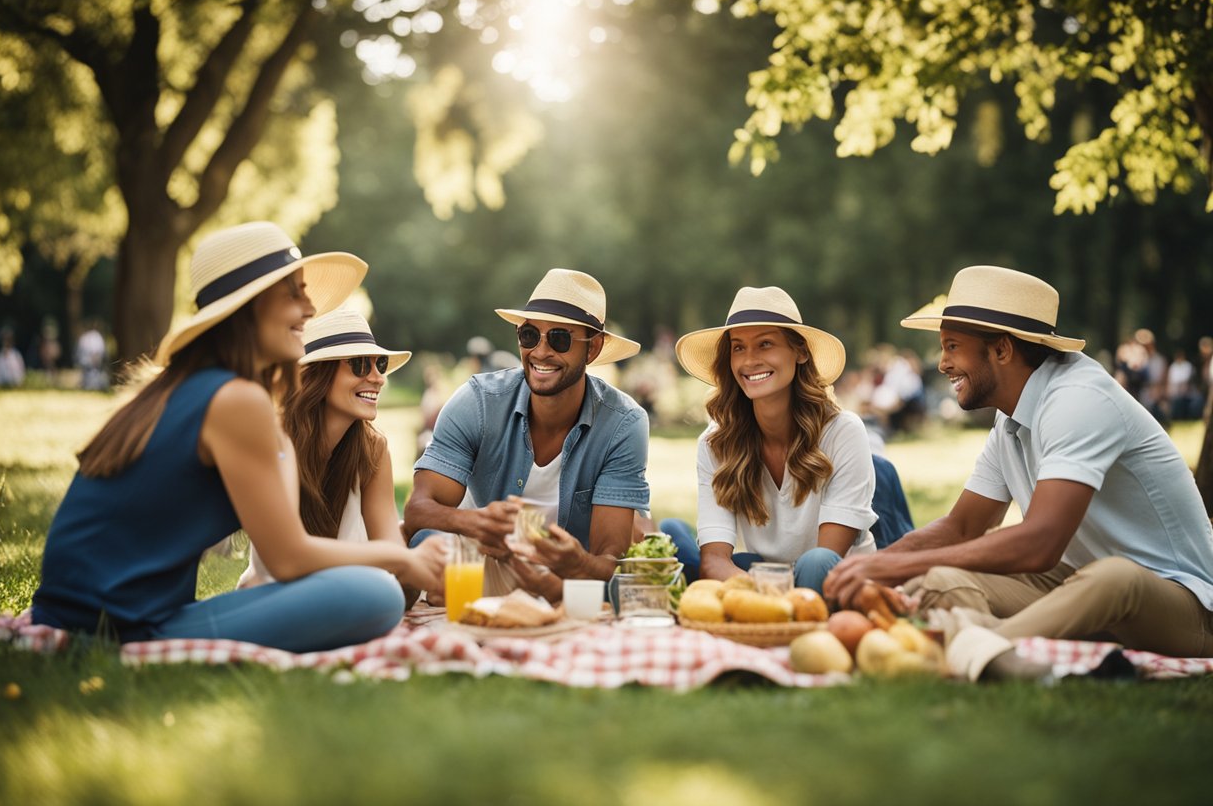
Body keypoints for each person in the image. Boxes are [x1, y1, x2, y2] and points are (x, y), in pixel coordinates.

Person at [31, 222, 443, 652]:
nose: (308, 310)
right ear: (250, 307)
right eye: (294, 294)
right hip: (116, 627)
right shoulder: (235, 400)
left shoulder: (187, 388)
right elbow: (287, 558)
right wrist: (403, 558)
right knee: (373, 596)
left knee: (373, 590)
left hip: (90, 614)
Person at [823, 265, 1213, 680]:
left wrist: (889, 569)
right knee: (940, 582)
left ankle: (983, 647)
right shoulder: (1010, 420)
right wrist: (873, 565)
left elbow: (1041, 542)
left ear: (1003, 350)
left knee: (1117, 579)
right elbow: (963, 527)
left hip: (1184, 606)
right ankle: (982, 643)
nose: (941, 363)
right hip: (1075, 586)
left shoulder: (1078, 400)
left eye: (952, 346)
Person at [403, 268, 650, 603]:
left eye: (560, 339)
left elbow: (611, 562)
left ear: (592, 349)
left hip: (566, 576)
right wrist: (475, 522)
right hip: (484, 558)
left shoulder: (623, 423)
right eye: (530, 335)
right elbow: (418, 510)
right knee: (428, 547)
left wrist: (575, 563)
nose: (540, 352)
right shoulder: (477, 401)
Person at [657, 286, 883, 595]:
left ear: (800, 352)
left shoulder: (843, 431)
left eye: (765, 344)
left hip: (836, 589)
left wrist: (754, 592)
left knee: (813, 563)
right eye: (738, 347)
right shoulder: (716, 442)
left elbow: (825, 561)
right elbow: (714, 562)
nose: (749, 360)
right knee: (676, 535)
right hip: (763, 578)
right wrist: (762, 595)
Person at [238, 308, 443, 595]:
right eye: (360, 364)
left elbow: (394, 555)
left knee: (390, 590)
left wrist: (422, 569)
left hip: (351, 593)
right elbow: (288, 562)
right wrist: (402, 562)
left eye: (380, 364)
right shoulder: (275, 445)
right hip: (278, 592)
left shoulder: (372, 450)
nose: (377, 378)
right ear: (318, 374)